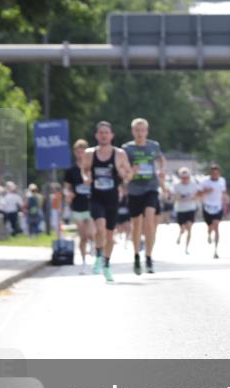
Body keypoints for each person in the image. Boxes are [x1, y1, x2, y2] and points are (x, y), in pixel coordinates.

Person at [82, 121, 133, 282]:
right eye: (101, 133)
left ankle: (106, 264)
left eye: (106, 133)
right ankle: (98, 255)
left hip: (112, 198)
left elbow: (129, 174)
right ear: (96, 136)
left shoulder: (119, 154)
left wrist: (124, 174)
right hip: (96, 197)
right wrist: (86, 178)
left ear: (111, 135)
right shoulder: (89, 153)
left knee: (110, 235)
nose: (104, 135)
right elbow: (84, 170)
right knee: (100, 227)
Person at [122, 117, 167, 275]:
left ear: (147, 131)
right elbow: (123, 168)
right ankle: (136, 255)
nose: (140, 133)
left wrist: (162, 169)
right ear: (133, 131)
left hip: (151, 187)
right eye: (137, 130)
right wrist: (131, 171)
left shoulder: (154, 146)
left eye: (143, 130)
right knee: (136, 226)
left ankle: (148, 256)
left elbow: (162, 159)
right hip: (134, 190)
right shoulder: (127, 149)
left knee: (150, 221)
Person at [64, 139, 95, 269]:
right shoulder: (71, 170)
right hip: (77, 206)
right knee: (83, 237)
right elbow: (66, 187)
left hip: (92, 205)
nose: (80, 154)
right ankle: (83, 261)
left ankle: (96, 252)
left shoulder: (92, 168)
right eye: (78, 152)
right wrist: (68, 194)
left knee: (91, 234)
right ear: (75, 153)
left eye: (83, 152)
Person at [197, 162, 229, 259]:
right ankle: (209, 233)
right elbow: (198, 194)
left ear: (219, 173)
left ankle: (216, 250)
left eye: (216, 173)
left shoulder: (222, 181)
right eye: (213, 173)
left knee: (216, 226)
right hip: (207, 206)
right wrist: (206, 191)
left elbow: (224, 192)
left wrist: (226, 200)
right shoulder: (204, 181)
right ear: (210, 173)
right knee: (210, 226)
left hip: (217, 207)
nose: (215, 175)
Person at [171, 167, 199, 254]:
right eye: (183, 177)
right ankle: (180, 235)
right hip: (180, 209)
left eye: (186, 177)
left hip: (190, 208)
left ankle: (186, 248)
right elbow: (174, 197)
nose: (185, 179)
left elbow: (197, 195)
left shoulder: (193, 184)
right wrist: (180, 197)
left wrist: (193, 197)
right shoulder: (176, 185)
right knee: (183, 228)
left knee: (189, 227)